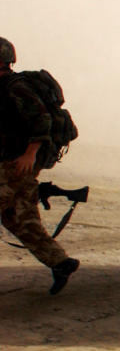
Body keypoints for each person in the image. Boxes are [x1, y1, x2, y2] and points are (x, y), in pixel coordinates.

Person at [0, 37, 81, 294]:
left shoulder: (15, 87)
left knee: (18, 216)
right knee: (20, 219)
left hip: (15, 164)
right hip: (14, 163)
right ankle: (59, 262)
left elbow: (42, 119)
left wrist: (30, 154)